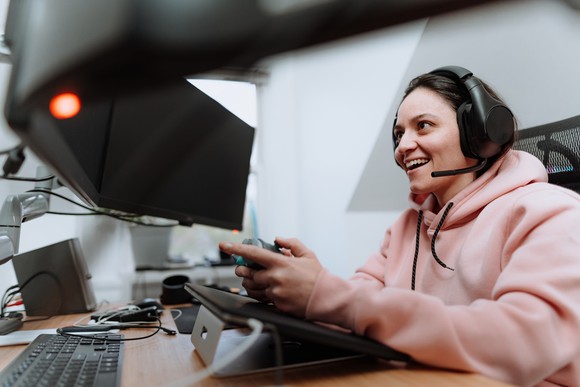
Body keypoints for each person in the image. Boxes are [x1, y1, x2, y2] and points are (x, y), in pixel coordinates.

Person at [219, 66, 580, 386]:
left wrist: (331, 297)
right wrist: (297, 291)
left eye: (423, 125)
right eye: (398, 133)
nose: (403, 147)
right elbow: (354, 307)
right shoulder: (407, 226)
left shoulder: (551, 213)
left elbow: (522, 344)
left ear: (481, 133)